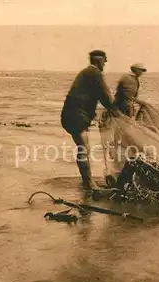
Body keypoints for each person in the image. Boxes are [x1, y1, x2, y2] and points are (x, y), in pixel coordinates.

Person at [60, 50, 118, 190]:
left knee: (83, 148)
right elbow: (106, 98)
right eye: (104, 60)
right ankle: (89, 183)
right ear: (99, 61)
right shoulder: (95, 73)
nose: (105, 63)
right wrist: (117, 110)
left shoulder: (86, 72)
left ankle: (87, 181)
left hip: (72, 115)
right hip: (76, 116)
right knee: (84, 148)